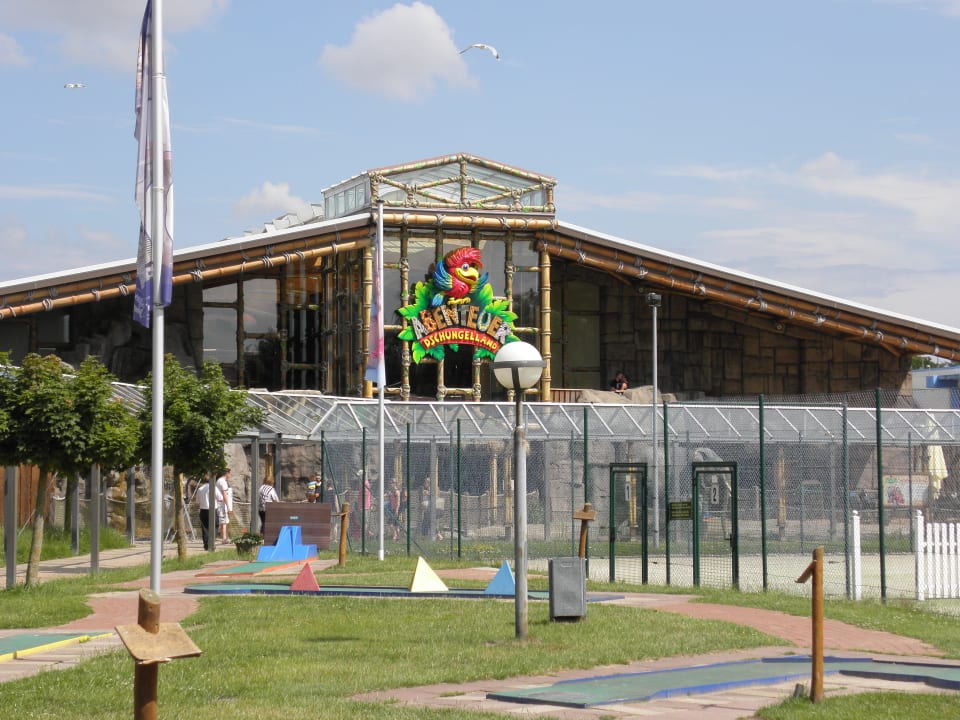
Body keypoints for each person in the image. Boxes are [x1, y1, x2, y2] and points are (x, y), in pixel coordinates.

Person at [196, 475, 219, 551]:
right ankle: (211, 542)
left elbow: (197, 501)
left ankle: (206, 545)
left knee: (205, 528)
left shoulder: (200, 489)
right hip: (212, 509)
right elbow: (220, 498)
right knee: (215, 525)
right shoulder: (213, 488)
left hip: (203, 510)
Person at [216, 469, 231, 544]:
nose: (230, 475)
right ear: (226, 473)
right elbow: (224, 494)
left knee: (223, 522)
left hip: (219, 503)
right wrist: (228, 506)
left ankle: (223, 538)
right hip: (222, 504)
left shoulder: (219, 480)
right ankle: (224, 539)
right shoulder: (223, 481)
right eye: (229, 473)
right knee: (224, 522)